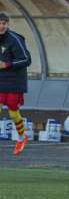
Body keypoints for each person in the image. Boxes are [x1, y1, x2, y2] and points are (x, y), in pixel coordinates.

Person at [0, 13, 32, 156]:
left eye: (4, 23)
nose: (1, 26)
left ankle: (21, 138)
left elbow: (26, 60)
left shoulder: (15, 39)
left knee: (13, 113)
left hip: (14, 80)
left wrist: (7, 64)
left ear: (8, 24)